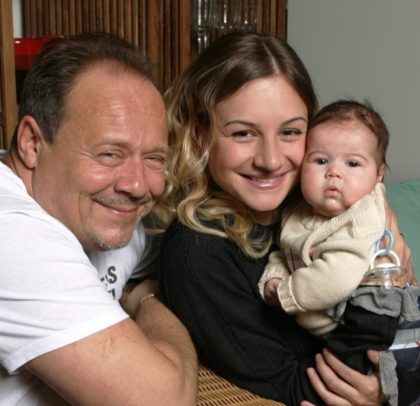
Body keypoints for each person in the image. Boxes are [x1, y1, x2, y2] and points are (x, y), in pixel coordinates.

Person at [158, 31, 414, 405]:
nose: (271, 160)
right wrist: (384, 387)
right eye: (243, 133)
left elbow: (401, 294)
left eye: (290, 132)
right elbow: (290, 387)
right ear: (200, 135)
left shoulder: (318, 203)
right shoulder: (197, 251)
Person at [0, 32, 197, 405]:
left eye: (153, 158)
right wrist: (147, 297)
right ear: (32, 143)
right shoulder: (10, 234)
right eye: (109, 154)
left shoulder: (108, 214)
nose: (137, 186)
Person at [258, 99, 420, 406]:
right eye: (321, 161)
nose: (334, 172)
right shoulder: (298, 211)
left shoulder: (364, 214)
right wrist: (273, 276)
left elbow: (338, 275)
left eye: (353, 164)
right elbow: (285, 253)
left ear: (378, 175)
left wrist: (286, 293)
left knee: (351, 362)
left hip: (375, 309)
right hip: (331, 319)